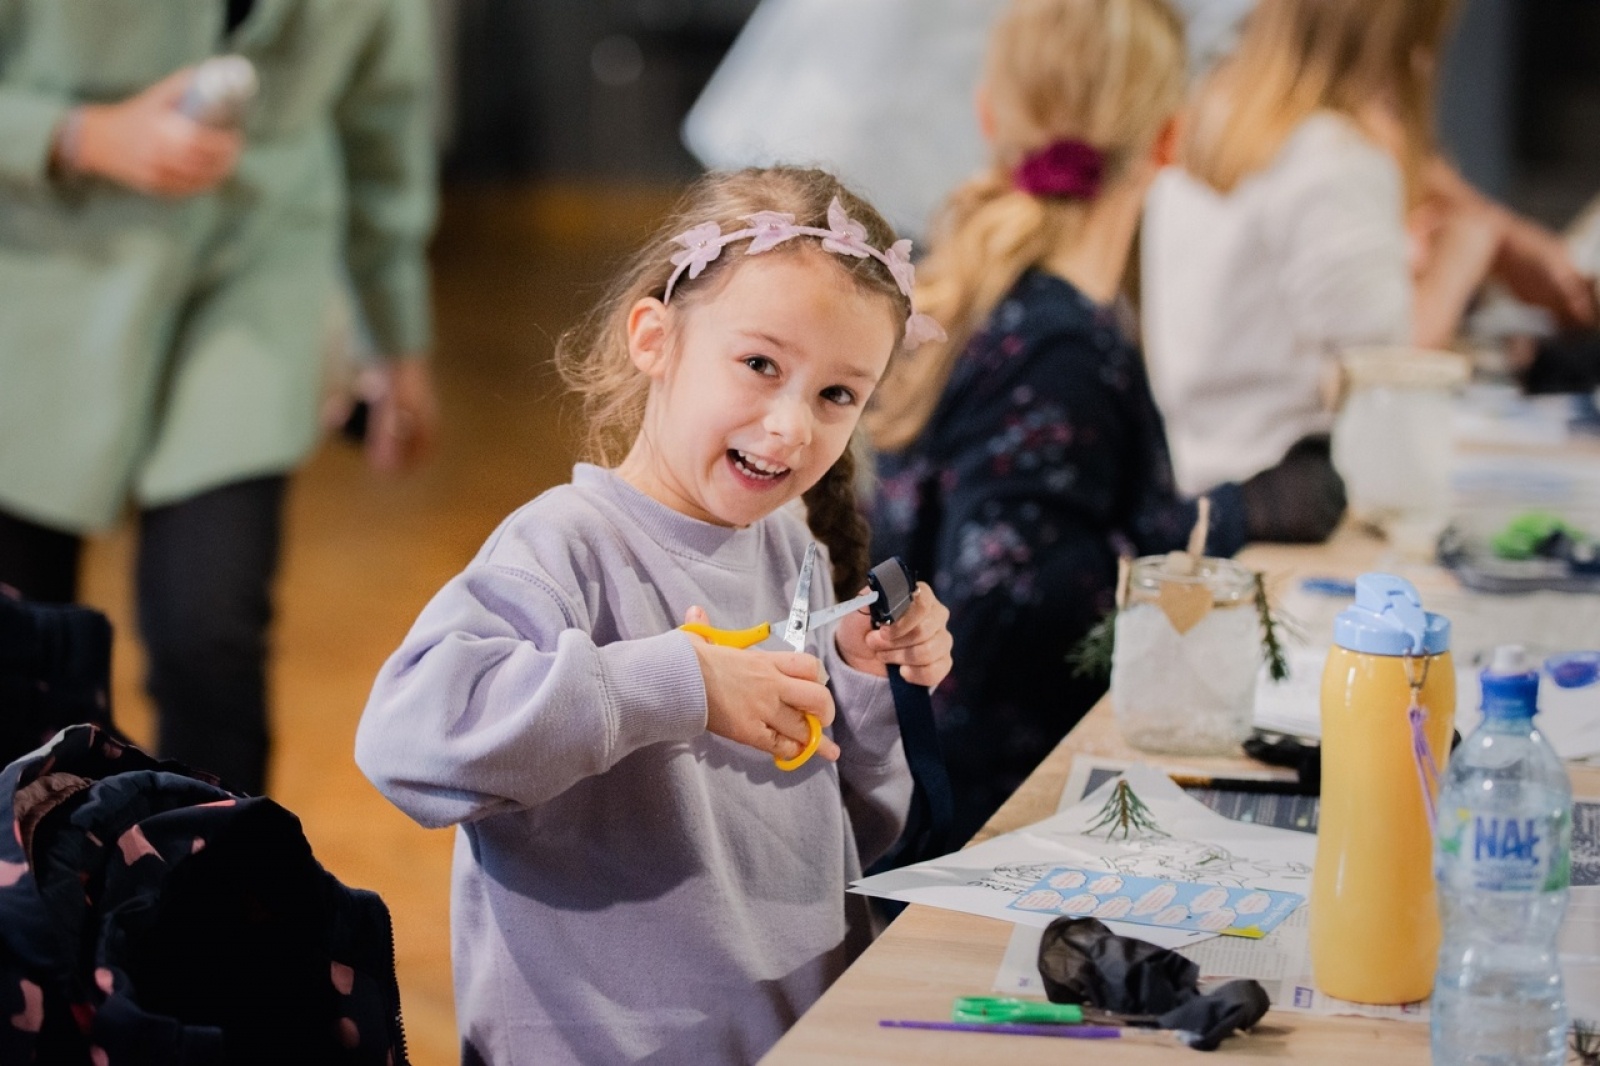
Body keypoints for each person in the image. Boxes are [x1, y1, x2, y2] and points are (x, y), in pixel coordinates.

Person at [355, 167, 954, 1066]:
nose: (791, 427)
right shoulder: (563, 547)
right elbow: (404, 740)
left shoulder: (791, 548)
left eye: (837, 395)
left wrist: (863, 686)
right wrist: (678, 682)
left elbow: (840, 846)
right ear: (654, 338)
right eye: (760, 364)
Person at [0, 0, 438, 795]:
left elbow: (383, 127)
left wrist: (398, 338)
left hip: (255, 276)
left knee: (211, 630)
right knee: (20, 641)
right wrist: (78, 135)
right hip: (33, 274)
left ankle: (214, 899)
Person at [864, 0, 1247, 848]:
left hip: (951, 783)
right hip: (1005, 820)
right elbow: (1006, 598)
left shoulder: (1004, 302)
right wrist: (1212, 533)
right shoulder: (1057, 346)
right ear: (1168, 137)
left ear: (990, 115)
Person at [1140, 0, 1598, 542]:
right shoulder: (1334, 157)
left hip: (1209, 476)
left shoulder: (1215, 123)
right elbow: (1390, 369)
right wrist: (1466, 250)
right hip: (1285, 498)